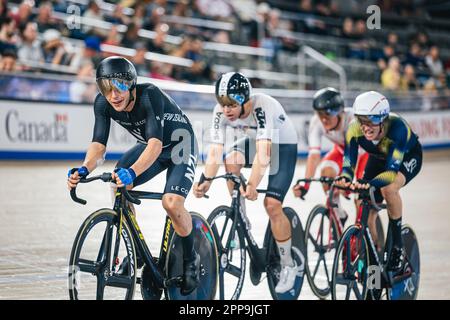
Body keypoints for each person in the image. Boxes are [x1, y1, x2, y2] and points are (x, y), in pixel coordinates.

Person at [66, 56, 200, 295]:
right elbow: (98, 145)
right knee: (117, 183)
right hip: (151, 146)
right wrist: (84, 169)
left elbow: (155, 145)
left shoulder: (150, 95)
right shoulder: (103, 104)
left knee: (171, 203)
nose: (114, 96)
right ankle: (135, 249)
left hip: (180, 145)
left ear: (131, 84)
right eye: (107, 90)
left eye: (119, 88)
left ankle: (191, 259)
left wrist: (133, 171)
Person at [193, 72, 300, 293]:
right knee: (231, 161)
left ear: (245, 99)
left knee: (272, 205)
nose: (226, 110)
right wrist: (207, 180)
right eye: (222, 104)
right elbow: (215, 151)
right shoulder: (220, 112)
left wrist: (252, 184)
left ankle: (289, 264)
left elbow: (265, 153)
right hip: (256, 141)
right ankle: (241, 219)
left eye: (232, 104)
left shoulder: (263, 107)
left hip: (284, 145)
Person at [335, 91, 422, 273]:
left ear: (383, 119)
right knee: (362, 201)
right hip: (379, 157)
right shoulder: (353, 129)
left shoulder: (397, 128)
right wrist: (345, 177)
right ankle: (373, 249)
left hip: (407, 157)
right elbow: (349, 160)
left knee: (389, 189)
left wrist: (371, 184)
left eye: (372, 121)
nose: (366, 127)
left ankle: (397, 245)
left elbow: (390, 173)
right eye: (362, 120)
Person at [293, 87, 368, 226]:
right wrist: (306, 185)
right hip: (341, 152)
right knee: (326, 175)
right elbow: (314, 156)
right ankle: (339, 216)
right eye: (319, 113)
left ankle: (364, 233)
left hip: (362, 155)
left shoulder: (352, 120)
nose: (323, 119)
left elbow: (351, 154)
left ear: (339, 112)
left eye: (327, 114)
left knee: (360, 200)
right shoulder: (316, 122)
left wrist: (347, 180)